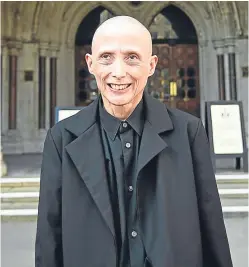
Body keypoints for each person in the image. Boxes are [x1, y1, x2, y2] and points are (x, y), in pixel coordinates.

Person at [35, 16, 233, 267]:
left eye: (132, 57)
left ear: (151, 65)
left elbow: (211, 229)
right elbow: (50, 237)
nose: (118, 72)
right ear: (90, 63)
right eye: (106, 57)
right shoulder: (61, 139)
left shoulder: (188, 132)